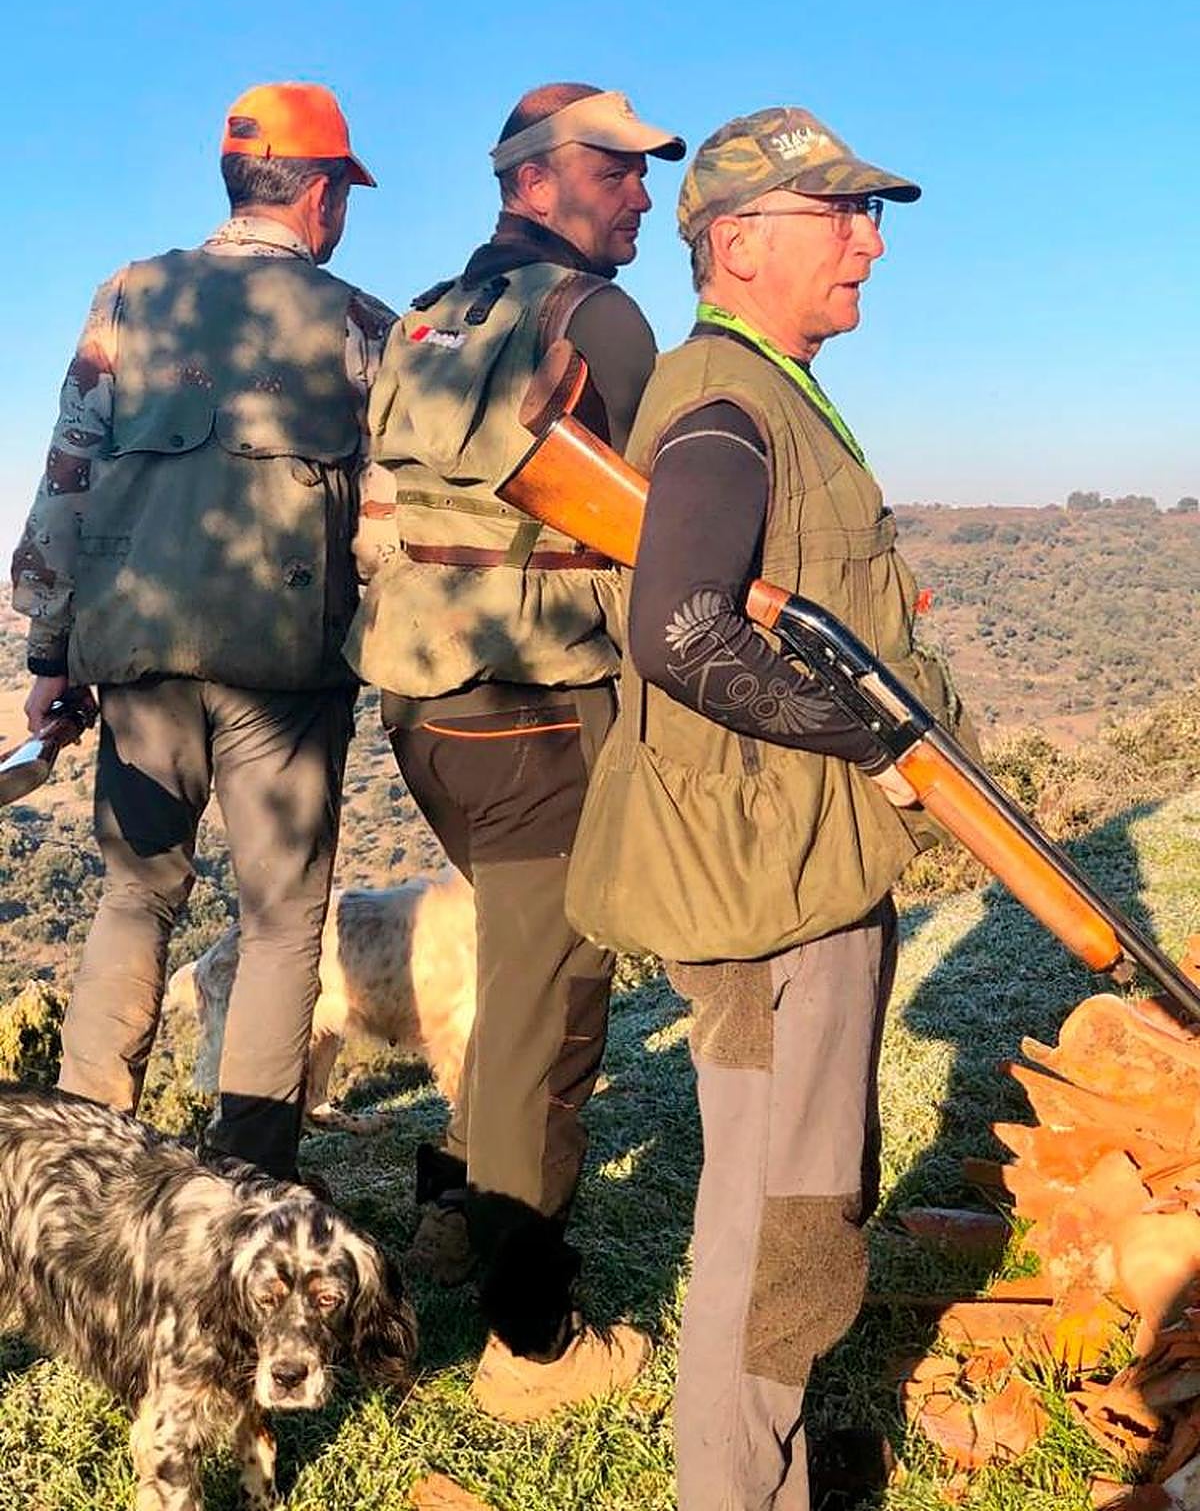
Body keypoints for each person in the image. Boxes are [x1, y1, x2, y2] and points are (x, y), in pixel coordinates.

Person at [593, 106, 972, 1508]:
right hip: (774, 894)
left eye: (871, 215)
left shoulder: (761, 389)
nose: (869, 240)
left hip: (792, 869)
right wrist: (870, 741)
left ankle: (780, 1471)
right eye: (840, 215)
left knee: (792, 1208)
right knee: (777, 1226)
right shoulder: (725, 405)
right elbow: (683, 628)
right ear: (738, 242)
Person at [344, 82, 685, 1418]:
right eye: (617, 172)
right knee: (549, 1015)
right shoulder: (594, 317)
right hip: (537, 700)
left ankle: (450, 1213)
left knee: (508, 979)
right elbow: (674, 519)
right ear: (535, 182)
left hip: (422, 704)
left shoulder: (434, 308)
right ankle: (529, 1342)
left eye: (647, 175)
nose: (642, 196)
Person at [10, 82, 396, 1181]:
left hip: (135, 659)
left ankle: (81, 1176)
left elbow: (67, 481)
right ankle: (247, 1186)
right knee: (281, 923)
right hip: (286, 671)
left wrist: (51, 653)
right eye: (343, 193)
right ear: (318, 193)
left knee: (133, 898)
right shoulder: (362, 326)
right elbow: (388, 526)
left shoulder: (131, 298)